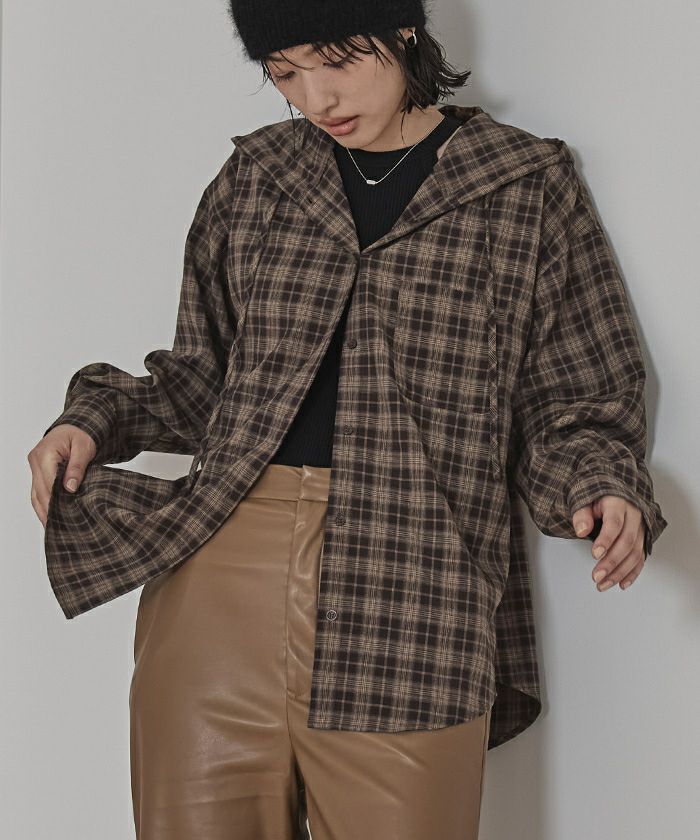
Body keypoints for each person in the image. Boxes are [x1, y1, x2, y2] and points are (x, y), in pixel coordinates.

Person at [29, 1, 668, 838]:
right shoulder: (259, 178)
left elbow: (576, 396)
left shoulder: (522, 185)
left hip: (414, 582)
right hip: (219, 585)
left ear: (403, 29)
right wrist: (92, 421)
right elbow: (202, 378)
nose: (317, 98)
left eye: (336, 59)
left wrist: (600, 486)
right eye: (285, 73)